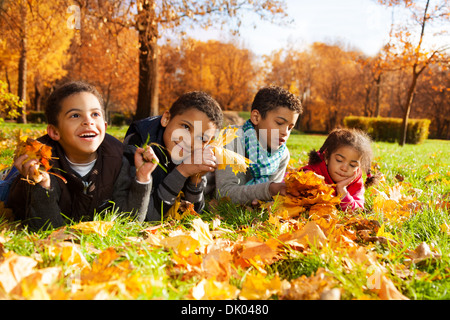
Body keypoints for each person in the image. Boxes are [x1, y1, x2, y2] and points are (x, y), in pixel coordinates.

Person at [7, 81, 158, 231]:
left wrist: (143, 179)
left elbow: (129, 222)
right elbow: (47, 230)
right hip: (12, 186)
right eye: (75, 115)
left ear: (104, 127)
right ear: (54, 132)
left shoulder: (117, 162)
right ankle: (7, 174)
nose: (88, 121)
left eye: (95, 114)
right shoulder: (42, 165)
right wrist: (43, 186)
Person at [123, 91, 223, 222]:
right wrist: (182, 171)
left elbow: (193, 215)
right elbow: (145, 217)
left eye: (201, 138)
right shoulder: (140, 145)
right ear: (166, 119)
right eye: (186, 127)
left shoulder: (196, 152)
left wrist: (195, 179)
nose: (190, 141)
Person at [214, 86, 303, 205]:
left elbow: (271, 197)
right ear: (256, 117)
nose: (285, 132)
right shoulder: (232, 140)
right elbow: (224, 194)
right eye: (279, 123)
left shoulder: (282, 154)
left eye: (290, 127)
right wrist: (269, 189)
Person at [300, 128, 380, 211]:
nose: (344, 168)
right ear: (327, 157)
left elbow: (357, 210)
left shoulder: (356, 182)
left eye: (352, 165)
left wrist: (342, 191)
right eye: (339, 160)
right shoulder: (312, 174)